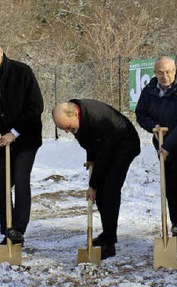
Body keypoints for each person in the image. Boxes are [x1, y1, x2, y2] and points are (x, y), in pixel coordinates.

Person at [0, 39, 44, 252]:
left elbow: (35, 106)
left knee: (21, 180)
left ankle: (18, 230)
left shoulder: (22, 72)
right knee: (0, 188)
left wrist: (13, 133)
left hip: (26, 138)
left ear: (1, 52)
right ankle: (7, 231)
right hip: (0, 140)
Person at [52, 99, 141, 259]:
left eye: (67, 127)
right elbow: (90, 143)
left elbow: (103, 155)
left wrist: (92, 185)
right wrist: (90, 157)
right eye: (63, 128)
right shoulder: (78, 119)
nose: (66, 131)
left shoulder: (95, 119)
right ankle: (108, 234)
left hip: (124, 144)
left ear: (75, 114)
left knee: (109, 190)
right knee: (101, 193)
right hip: (108, 145)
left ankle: (109, 243)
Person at [134, 56, 177, 250]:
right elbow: (141, 114)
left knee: (175, 175)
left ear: (175, 70)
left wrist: (168, 146)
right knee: (169, 180)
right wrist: (152, 127)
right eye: (160, 72)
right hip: (162, 142)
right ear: (155, 73)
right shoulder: (149, 91)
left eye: (169, 72)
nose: (165, 76)